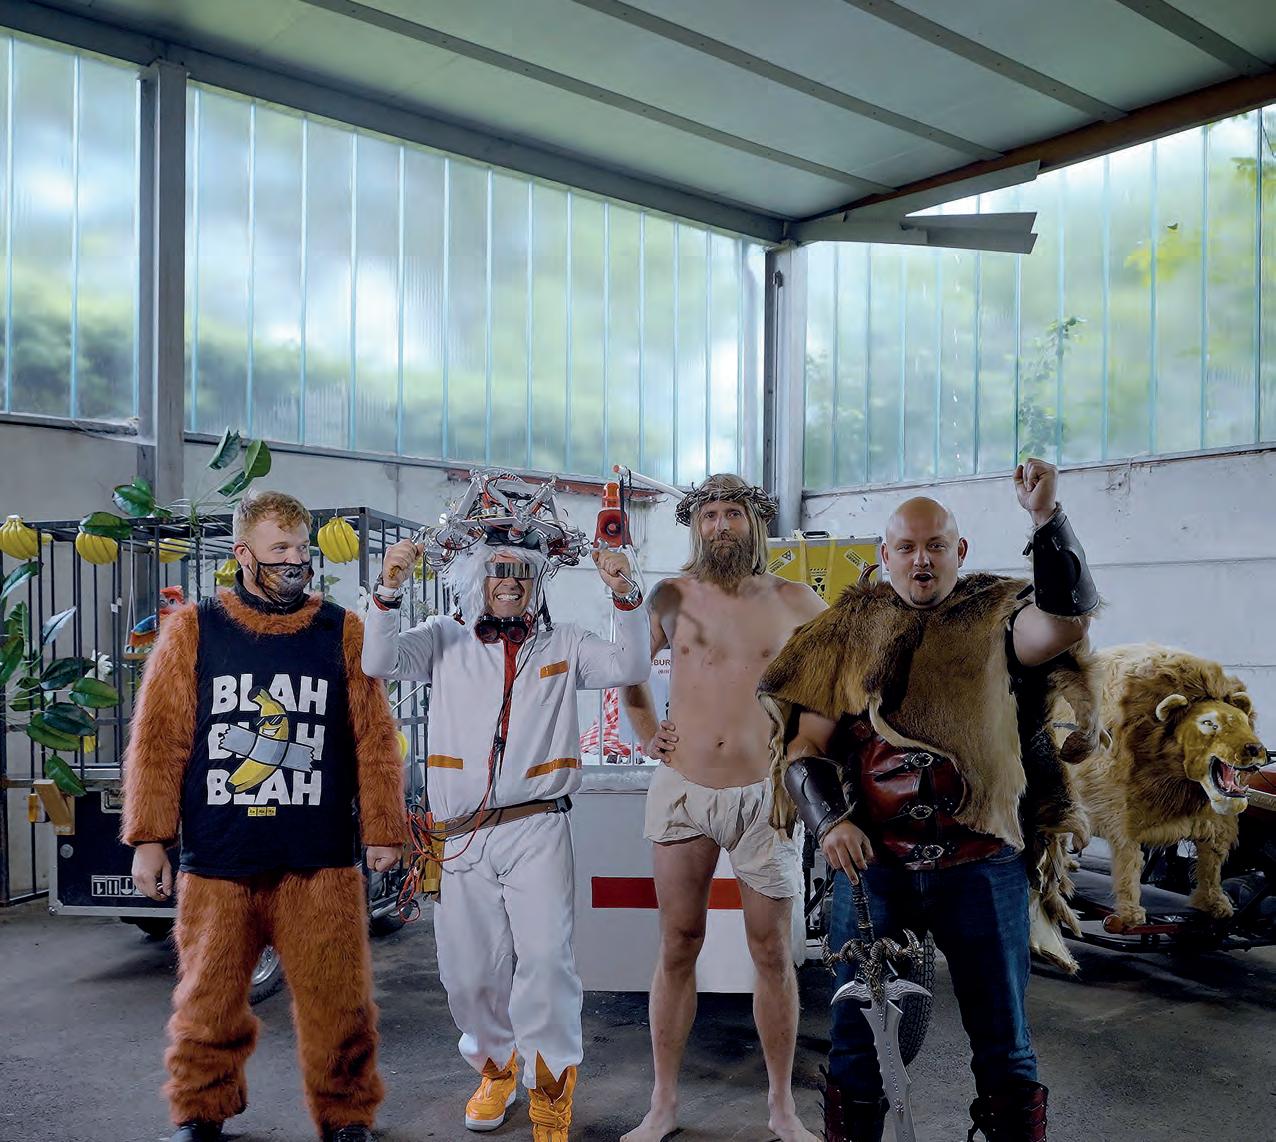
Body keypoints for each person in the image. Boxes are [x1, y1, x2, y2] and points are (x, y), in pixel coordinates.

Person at [759, 459, 1099, 1142]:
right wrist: (831, 823)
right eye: (908, 547)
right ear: (884, 555)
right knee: (857, 1044)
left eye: (936, 546)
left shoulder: (998, 616)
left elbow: (1064, 622)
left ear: (958, 551)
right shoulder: (844, 633)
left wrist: (1045, 516)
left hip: (983, 861)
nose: (922, 560)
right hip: (874, 868)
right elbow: (805, 749)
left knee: (1005, 1042)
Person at [123, 490, 407, 1142]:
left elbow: (373, 739)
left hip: (319, 858)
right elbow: (159, 740)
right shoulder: (194, 630)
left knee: (340, 1001)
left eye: (302, 547)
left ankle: (347, 1117)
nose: (295, 560)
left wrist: (384, 829)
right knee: (208, 998)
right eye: (280, 548)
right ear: (243, 554)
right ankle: (200, 1112)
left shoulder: (343, 631)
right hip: (221, 858)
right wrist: (149, 838)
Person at [363, 501, 650, 1142]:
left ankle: (550, 1090)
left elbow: (630, 666)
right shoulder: (442, 637)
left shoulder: (566, 642)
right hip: (460, 836)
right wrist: (387, 589)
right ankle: (495, 1068)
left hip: (538, 827)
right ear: (475, 576)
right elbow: (377, 662)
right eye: (497, 569)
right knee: (468, 973)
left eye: (522, 571)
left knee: (545, 963)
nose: (510, 582)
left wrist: (625, 593)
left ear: (537, 580)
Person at [619, 473, 826, 1142]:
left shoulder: (797, 601)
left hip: (766, 795)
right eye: (708, 514)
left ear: (755, 523)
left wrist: (803, 751)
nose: (720, 526)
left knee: (771, 950)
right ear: (695, 526)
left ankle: (782, 1106)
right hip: (684, 789)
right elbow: (626, 668)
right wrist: (646, 731)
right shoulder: (670, 596)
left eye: (733, 513)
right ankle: (663, 1102)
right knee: (678, 941)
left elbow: (833, 686)